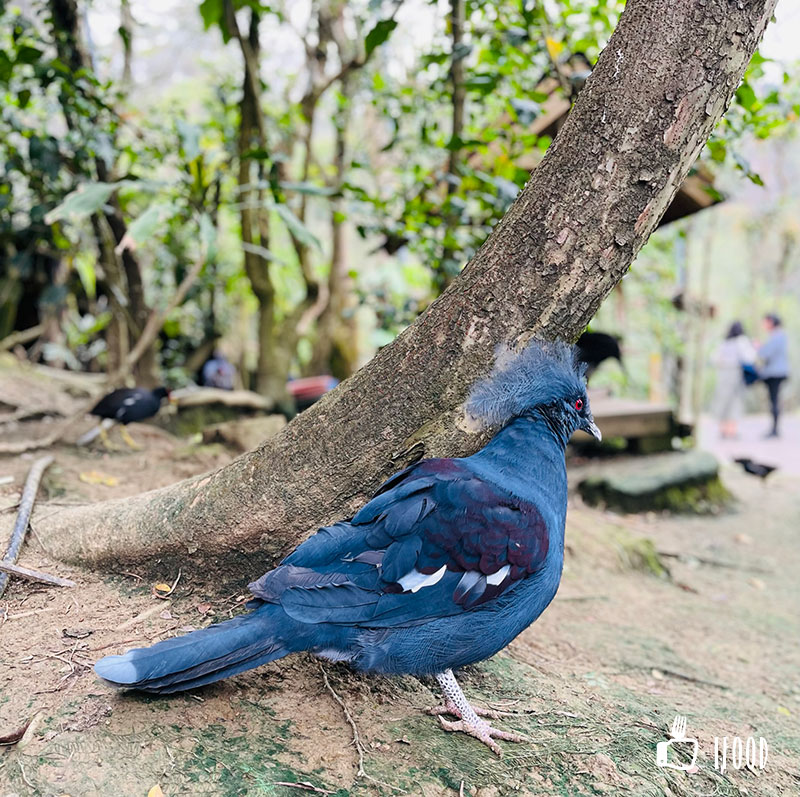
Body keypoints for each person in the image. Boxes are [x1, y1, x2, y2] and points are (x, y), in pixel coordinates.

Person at [712, 321, 756, 439]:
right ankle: (731, 431)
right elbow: (749, 358)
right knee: (735, 401)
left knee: (723, 400)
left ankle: (722, 430)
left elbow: (714, 359)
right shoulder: (742, 341)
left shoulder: (724, 342)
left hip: (722, 374)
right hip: (735, 373)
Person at [758, 313, 790, 438]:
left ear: (771, 322)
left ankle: (775, 429)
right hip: (775, 372)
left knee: (774, 400)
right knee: (774, 400)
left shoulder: (778, 335)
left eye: (765, 322)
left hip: (775, 373)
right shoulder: (777, 335)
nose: (764, 325)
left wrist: (758, 347)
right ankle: (774, 428)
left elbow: (765, 353)